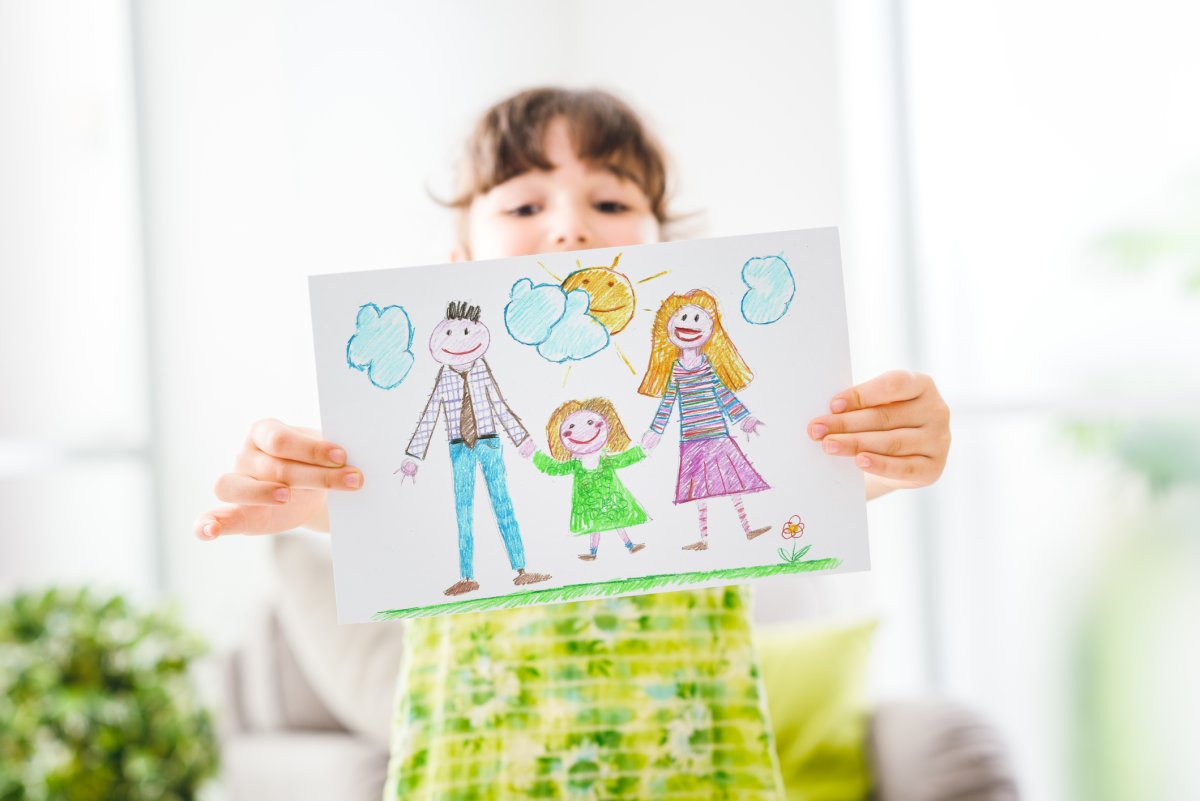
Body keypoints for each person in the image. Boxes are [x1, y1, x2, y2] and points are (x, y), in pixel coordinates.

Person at [196, 87, 951, 800]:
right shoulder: (433, 401)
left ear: (666, 248)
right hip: (474, 778)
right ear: (457, 267)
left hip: (698, 775)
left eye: (611, 200)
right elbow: (385, 509)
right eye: (525, 203)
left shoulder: (694, 370)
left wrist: (900, 447)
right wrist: (300, 498)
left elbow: (820, 477)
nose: (569, 226)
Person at [396, 299, 551, 596]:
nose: (458, 342)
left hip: (490, 441)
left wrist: (522, 439)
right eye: (450, 335)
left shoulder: (482, 370)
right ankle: (467, 576)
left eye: (466, 333)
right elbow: (431, 412)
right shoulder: (444, 377)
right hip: (459, 446)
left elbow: (499, 405)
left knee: (503, 503)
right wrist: (414, 454)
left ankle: (521, 570)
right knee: (463, 509)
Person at [639, 289, 771, 550]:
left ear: (712, 329)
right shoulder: (675, 370)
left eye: (697, 319)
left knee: (732, 484)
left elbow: (724, 394)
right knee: (700, 491)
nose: (689, 324)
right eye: (683, 317)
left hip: (717, 435)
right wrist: (655, 431)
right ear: (668, 327)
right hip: (691, 438)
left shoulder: (708, 365)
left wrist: (744, 418)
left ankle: (748, 529)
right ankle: (703, 539)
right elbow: (667, 403)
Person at [532, 397, 649, 561]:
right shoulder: (576, 465)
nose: (583, 431)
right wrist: (534, 454)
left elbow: (625, 458)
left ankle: (629, 545)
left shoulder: (605, 460)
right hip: (590, 506)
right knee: (596, 527)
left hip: (611, 499)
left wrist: (643, 449)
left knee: (617, 522)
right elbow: (554, 468)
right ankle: (594, 553)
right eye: (571, 426)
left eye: (589, 423)